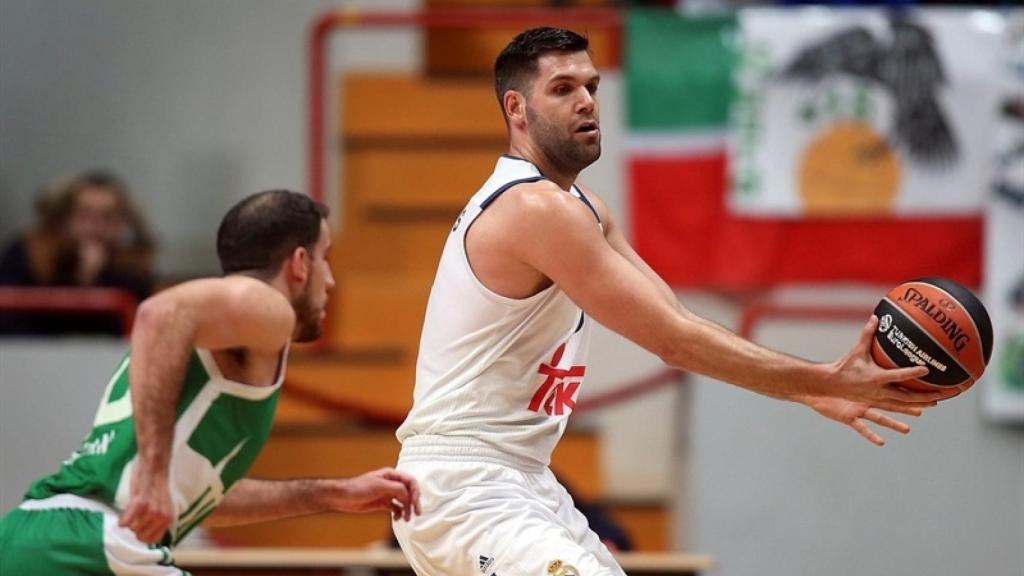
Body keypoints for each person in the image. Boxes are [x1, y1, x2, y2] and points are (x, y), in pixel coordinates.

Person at [391, 27, 952, 576]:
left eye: (590, 86)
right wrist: (821, 380)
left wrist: (810, 389)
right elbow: (672, 343)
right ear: (517, 109)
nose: (586, 101)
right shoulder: (535, 210)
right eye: (563, 89)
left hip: (521, 482)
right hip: (466, 487)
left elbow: (678, 318)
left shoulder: (582, 206)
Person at [0, 190, 421, 575]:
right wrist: (152, 471)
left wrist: (331, 493)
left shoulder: (223, 331)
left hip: (32, 535)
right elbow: (157, 314)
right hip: (92, 541)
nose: (329, 279)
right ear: (299, 263)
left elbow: (198, 497)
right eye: (325, 257)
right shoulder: (267, 305)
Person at [0, 169, 156, 336]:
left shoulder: (132, 267)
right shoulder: (30, 254)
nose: (96, 225)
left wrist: (93, 280)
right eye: (85, 214)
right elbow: (13, 323)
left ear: (122, 222)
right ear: (65, 218)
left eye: (108, 216)